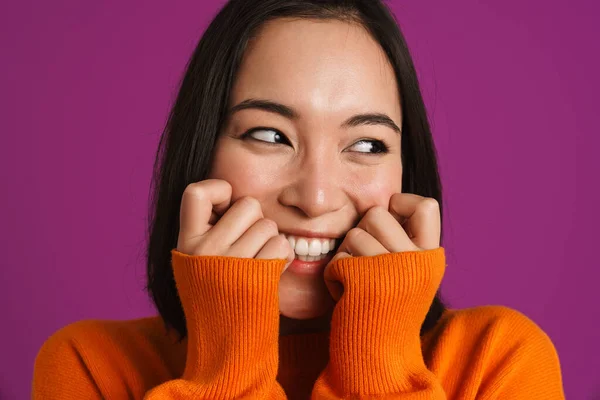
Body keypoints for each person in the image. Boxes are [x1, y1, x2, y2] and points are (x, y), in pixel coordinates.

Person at [32, 0, 565, 398]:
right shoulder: (91, 368)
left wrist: (380, 363)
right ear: (203, 158)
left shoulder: (499, 363)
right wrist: (228, 368)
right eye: (269, 135)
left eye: (365, 144)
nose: (315, 197)